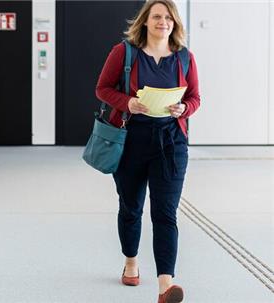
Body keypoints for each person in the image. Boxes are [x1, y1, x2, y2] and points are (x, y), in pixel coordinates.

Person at [95, 0, 200, 302]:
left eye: (168, 17)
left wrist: (184, 108)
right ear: (145, 21)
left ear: (175, 23)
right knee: (131, 207)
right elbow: (102, 89)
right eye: (157, 16)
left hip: (171, 142)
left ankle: (165, 286)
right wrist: (126, 102)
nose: (162, 21)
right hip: (131, 140)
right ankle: (131, 262)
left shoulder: (184, 58)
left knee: (165, 213)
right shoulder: (124, 53)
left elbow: (195, 98)